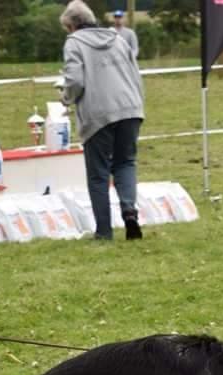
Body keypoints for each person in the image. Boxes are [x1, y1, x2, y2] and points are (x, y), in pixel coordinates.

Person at [61, 0, 145, 241]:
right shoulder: (118, 38)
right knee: (125, 163)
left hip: (99, 114)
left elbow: (75, 81)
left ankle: (104, 231)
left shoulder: (74, 43)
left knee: (98, 174)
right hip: (131, 108)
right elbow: (135, 73)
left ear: (71, 26)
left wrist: (66, 97)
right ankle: (130, 213)